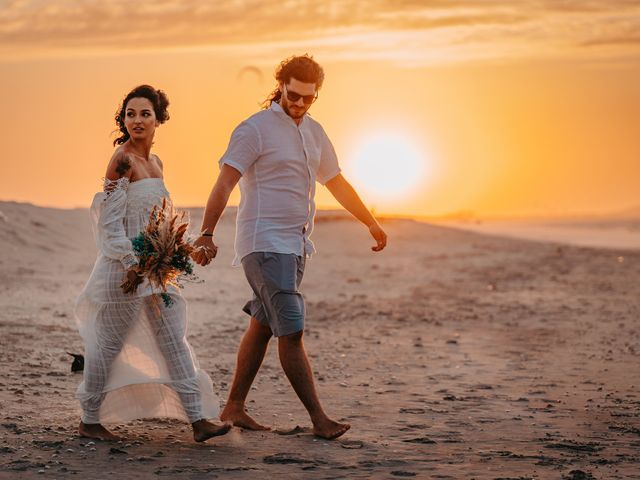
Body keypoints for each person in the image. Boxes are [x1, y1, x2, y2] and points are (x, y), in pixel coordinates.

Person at [193, 55, 387, 440]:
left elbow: (336, 182)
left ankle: (234, 407)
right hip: (264, 243)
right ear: (280, 85)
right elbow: (225, 182)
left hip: (296, 246)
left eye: (307, 99)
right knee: (293, 331)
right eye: (293, 95)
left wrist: (369, 220)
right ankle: (319, 418)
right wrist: (207, 232)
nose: (299, 104)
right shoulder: (255, 129)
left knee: (264, 325)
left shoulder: (314, 132)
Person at [74, 85, 231, 442]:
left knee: (173, 337)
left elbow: (160, 220)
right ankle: (89, 419)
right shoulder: (122, 160)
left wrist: (185, 249)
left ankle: (198, 419)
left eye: (145, 114)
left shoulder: (157, 164)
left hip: (156, 270)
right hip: (122, 270)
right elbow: (109, 223)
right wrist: (131, 261)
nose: (137, 121)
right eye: (130, 114)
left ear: (158, 119)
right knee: (109, 344)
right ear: (124, 119)